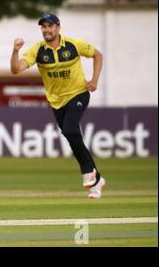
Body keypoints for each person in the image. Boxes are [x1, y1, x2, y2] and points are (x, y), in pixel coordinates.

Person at [10, 13, 106, 199]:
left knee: (70, 130)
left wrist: (94, 80)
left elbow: (97, 55)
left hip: (78, 93)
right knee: (72, 137)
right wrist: (15, 51)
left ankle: (87, 172)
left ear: (58, 28)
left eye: (50, 26)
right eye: (43, 27)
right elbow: (16, 69)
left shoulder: (73, 44)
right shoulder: (38, 50)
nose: (47, 30)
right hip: (56, 101)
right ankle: (97, 180)